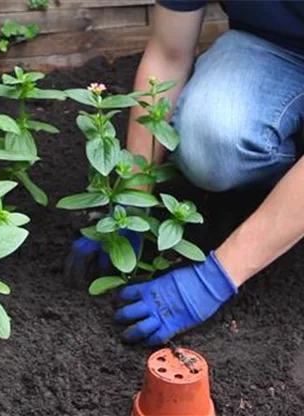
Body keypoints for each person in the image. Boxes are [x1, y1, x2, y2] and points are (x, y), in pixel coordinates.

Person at [68, 0, 304, 346]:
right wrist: (130, 203)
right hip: (273, 49)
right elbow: (168, 54)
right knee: (209, 144)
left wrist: (215, 279)